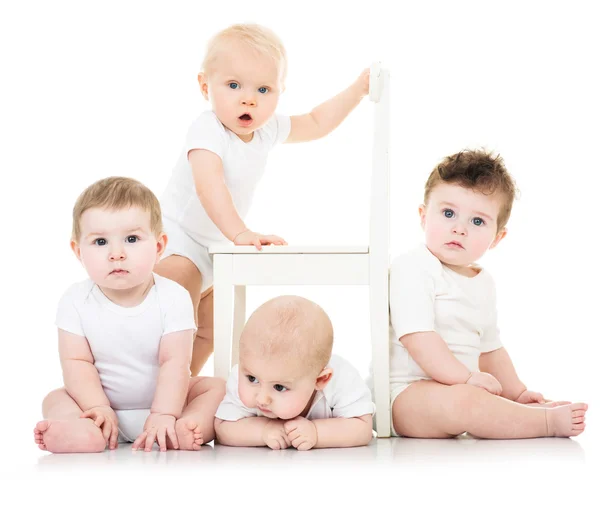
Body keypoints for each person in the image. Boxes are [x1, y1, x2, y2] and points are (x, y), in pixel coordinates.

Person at [156, 23, 370, 376]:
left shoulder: (266, 130)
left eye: (264, 89)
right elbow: (208, 186)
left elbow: (317, 122)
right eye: (234, 85)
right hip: (178, 242)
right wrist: (240, 233)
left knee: (210, 330)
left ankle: (176, 386)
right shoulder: (208, 128)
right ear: (204, 86)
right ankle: (149, 388)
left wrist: (358, 91)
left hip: (214, 249)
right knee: (172, 324)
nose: (248, 98)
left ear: (280, 91)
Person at [388, 149, 588, 438]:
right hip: (407, 395)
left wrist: (516, 392)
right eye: (448, 213)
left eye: (477, 221)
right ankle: (545, 424)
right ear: (423, 216)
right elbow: (418, 338)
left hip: (459, 390)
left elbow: (490, 350)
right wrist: (466, 378)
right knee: (468, 401)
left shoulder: (482, 282)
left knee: (477, 399)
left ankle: (523, 410)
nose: (459, 229)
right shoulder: (414, 267)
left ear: (497, 237)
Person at [33, 177, 225, 453]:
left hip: (170, 409)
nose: (117, 254)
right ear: (78, 251)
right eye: (100, 241)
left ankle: (186, 427)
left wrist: (164, 413)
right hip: (101, 412)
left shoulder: (173, 297)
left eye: (131, 239)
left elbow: (175, 362)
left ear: (159, 247)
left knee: (216, 389)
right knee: (55, 398)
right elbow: (76, 362)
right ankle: (84, 431)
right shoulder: (75, 301)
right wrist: (96, 407)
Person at [215, 296, 374, 450]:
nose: (262, 399)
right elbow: (223, 427)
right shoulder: (247, 370)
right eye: (252, 379)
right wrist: (263, 431)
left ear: (320, 380)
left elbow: (362, 427)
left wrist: (316, 432)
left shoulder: (341, 379)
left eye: (279, 387)